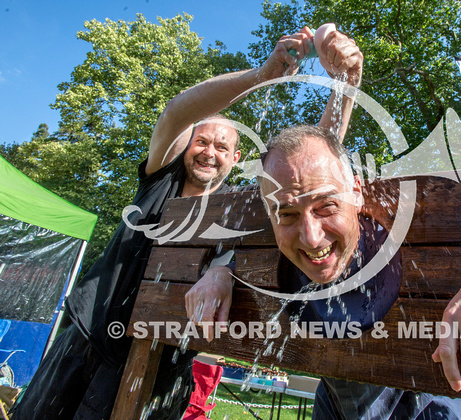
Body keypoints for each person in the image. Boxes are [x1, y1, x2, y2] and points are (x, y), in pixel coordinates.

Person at [12, 27, 363, 420]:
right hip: (88, 344)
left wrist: (345, 87)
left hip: (167, 370)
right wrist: (262, 76)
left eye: (222, 146)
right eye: (201, 141)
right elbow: (175, 113)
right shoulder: (161, 178)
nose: (210, 152)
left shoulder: (241, 212)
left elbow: (315, 170)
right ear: (184, 146)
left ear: (236, 157)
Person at [255, 125, 461, 419]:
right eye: (287, 214)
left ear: (356, 193)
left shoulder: (430, 244)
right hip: (335, 404)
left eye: (326, 206)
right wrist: (220, 274)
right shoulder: (286, 265)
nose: (310, 237)